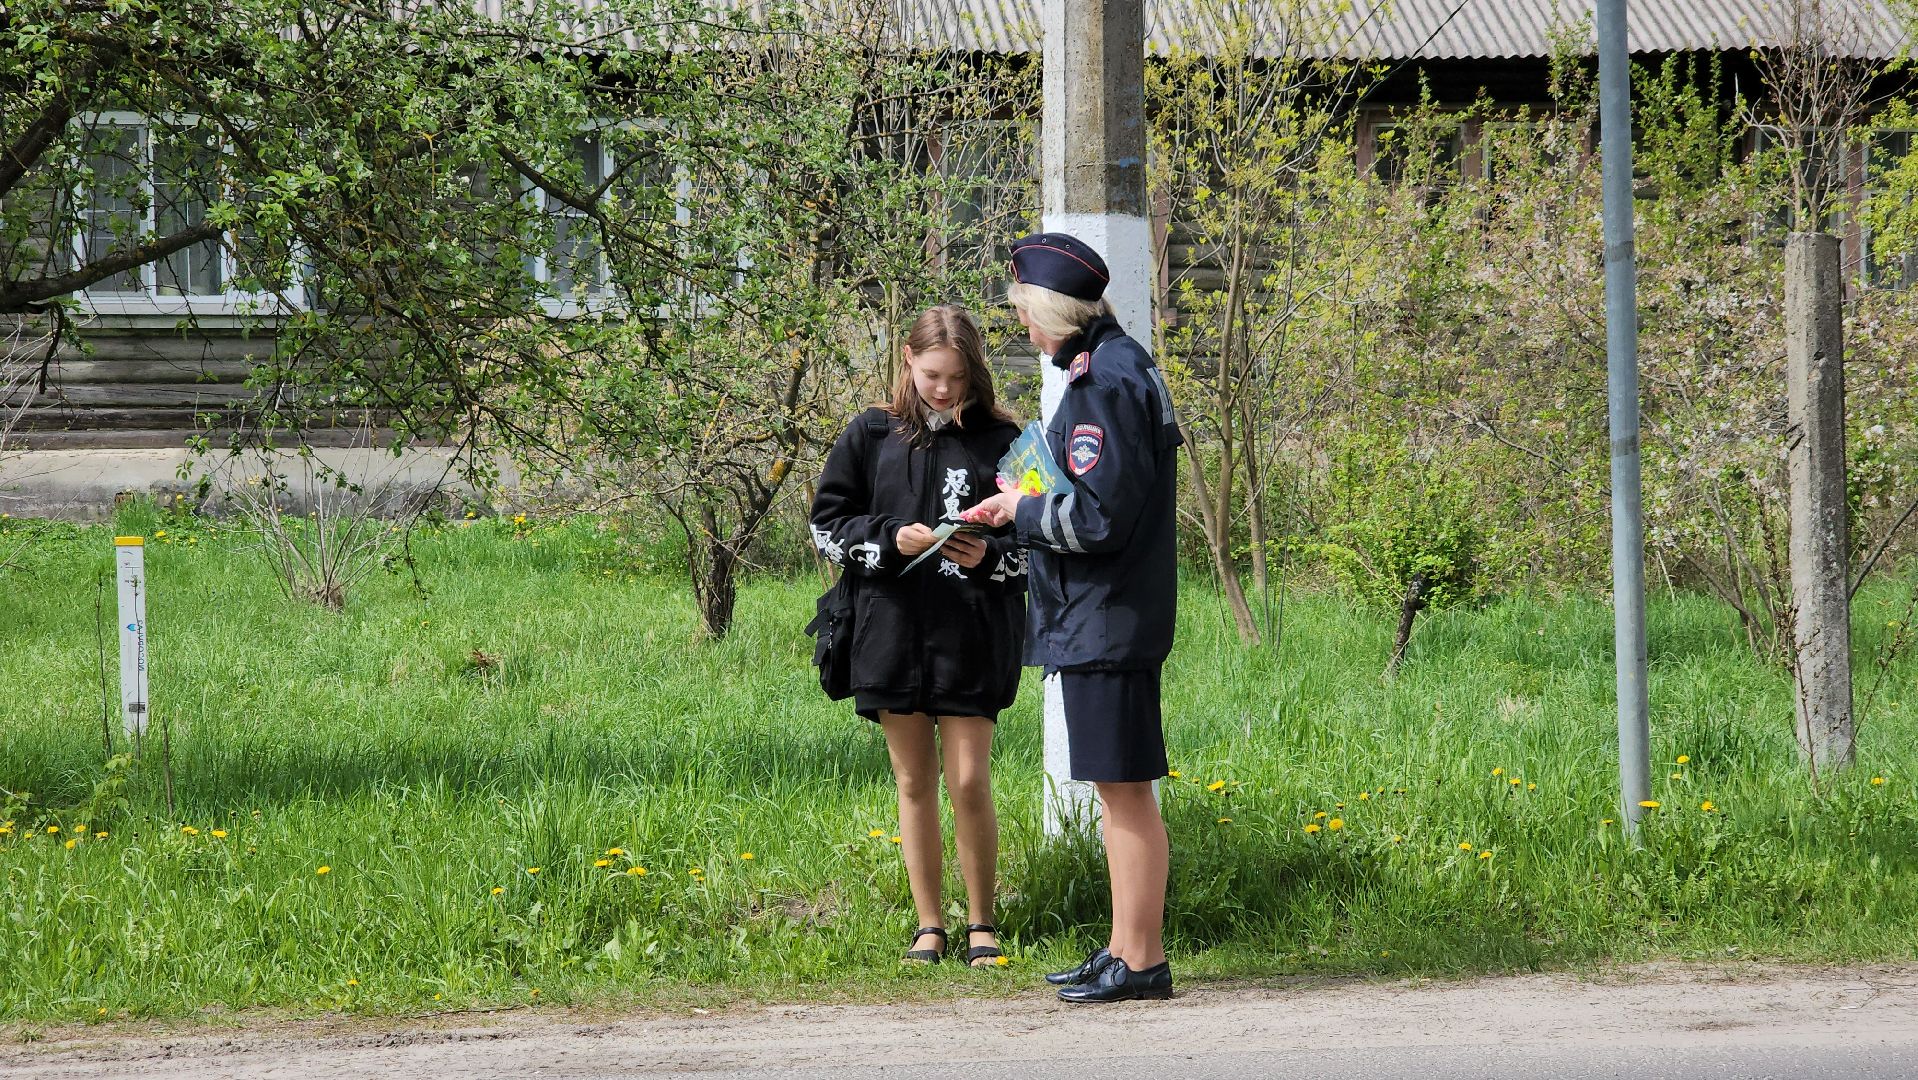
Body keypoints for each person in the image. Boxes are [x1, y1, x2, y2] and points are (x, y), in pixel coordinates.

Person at [963, 232, 1182, 1002]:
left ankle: (1143, 959)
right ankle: (1124, 945)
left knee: (1123, 788)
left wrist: (1023, 509)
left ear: (1056, 312)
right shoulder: (1113, 367)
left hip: (1108, 615)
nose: (1025, 329)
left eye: (1027, 314)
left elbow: (1096, 522)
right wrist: (1018, 505)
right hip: (1104, 614)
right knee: (1113, 785)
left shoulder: (1104, 384)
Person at [810, 304, 1027, 967]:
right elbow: (825, 523)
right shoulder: (871, 434)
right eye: (934, 375)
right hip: (890, 631)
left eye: (958, 378)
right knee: (912, 783)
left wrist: (989, 558)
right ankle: (929, 925)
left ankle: (982, 924)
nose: (944, 390)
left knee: (968, 780)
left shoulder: (1004, 439)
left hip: (972, 630)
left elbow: (1040, 542)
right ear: (908, 359)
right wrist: (886, 538)